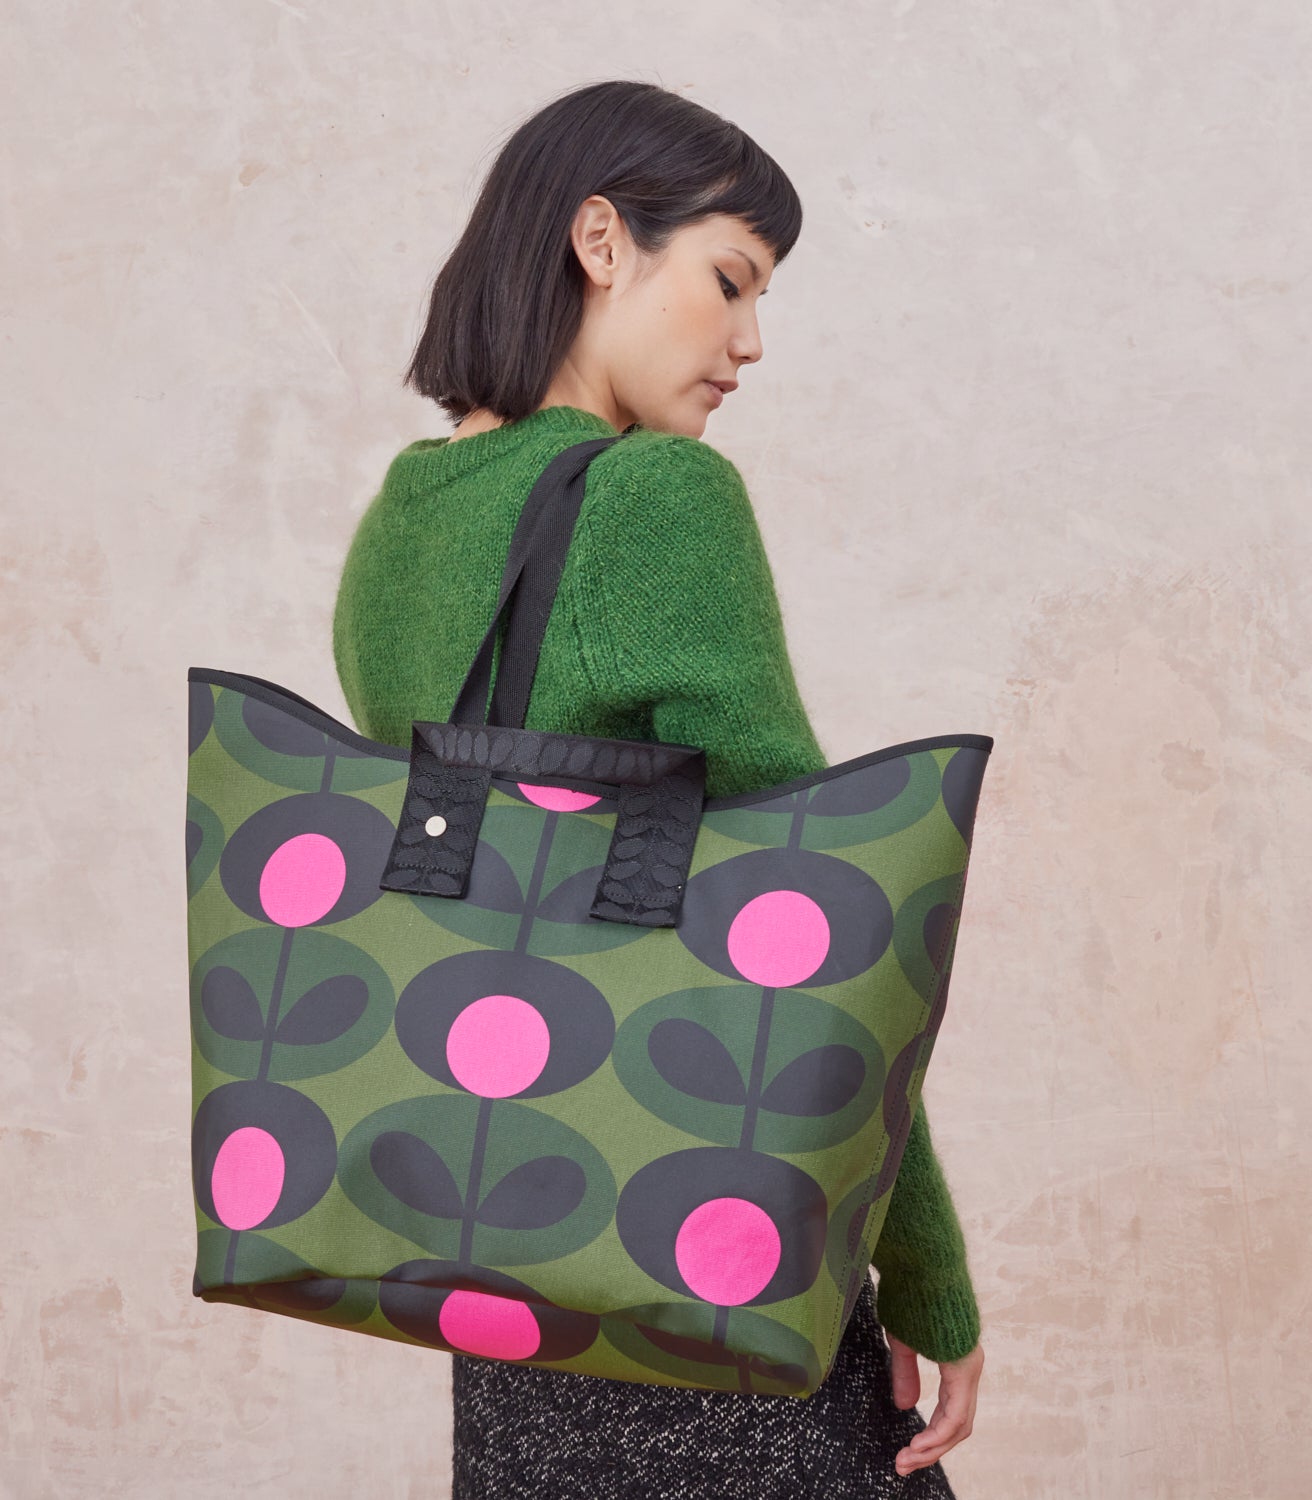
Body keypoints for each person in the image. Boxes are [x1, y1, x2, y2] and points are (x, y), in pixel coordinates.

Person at [332, 78, 984, 1500]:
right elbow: (830, 937)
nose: (750, 345)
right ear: (601, 240)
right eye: (731, 280)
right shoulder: (659, 500)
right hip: (711, 1264)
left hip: (503, 1270)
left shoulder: (399, 522)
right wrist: (927, 1275)